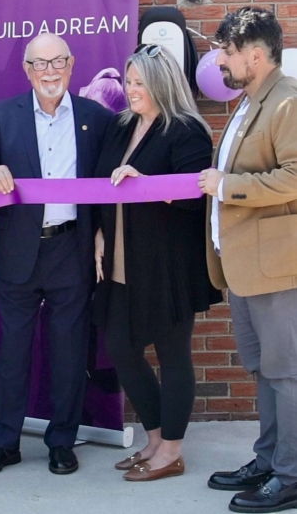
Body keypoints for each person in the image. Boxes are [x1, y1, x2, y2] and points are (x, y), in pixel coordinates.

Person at [0, 33, 112, 476]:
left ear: (71, 66)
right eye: (39, 64)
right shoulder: (1, 114)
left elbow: (106, 185)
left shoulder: (95, 117)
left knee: (68, 352)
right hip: (18, 250)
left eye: (58, 62)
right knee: (12, 352)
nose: (49, 71)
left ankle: (62, 443)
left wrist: (104, 234)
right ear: (27, 70)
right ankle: (4, 443)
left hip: (72, 247)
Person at [92, 44, 220, 482]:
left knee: (172, 354)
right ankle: (153, 437)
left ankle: (171, 451)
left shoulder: (186, 130)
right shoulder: (121, 126)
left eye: (140, 82)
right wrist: (98, 233)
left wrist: (146, 184)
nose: (131, 90)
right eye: (128, 81)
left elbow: (194, 194)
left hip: (168, 264)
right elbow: (101, 186)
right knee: (120, 347)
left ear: (161, 83)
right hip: (120, 259)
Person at [199, 7, 297, 513]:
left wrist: (229, 186)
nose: (220, 61)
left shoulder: (288, 102)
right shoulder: (248, 101)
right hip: (244, 265)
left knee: (286, 373)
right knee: (264, 371)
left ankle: (291, 475)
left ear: (255, 55)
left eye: (228, 51)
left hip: (275, 267)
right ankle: (269, 459)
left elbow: (295, 176)